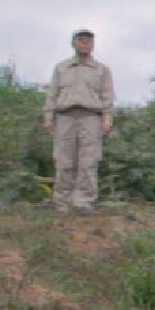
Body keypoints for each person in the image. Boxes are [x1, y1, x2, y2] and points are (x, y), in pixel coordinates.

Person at [41, 28, 117, 213]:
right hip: (65, 116)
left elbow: (107, 96)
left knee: (88, 161)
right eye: (82, 40)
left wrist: (107, 119)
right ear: (74, 43)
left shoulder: (102, 70)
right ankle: (62, 202)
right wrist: (48, 117)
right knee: (63, 160)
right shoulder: (61, 68)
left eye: (89, 41)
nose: (86, 44)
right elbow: (52, 94)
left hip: (91, 116)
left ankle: (84, 201)